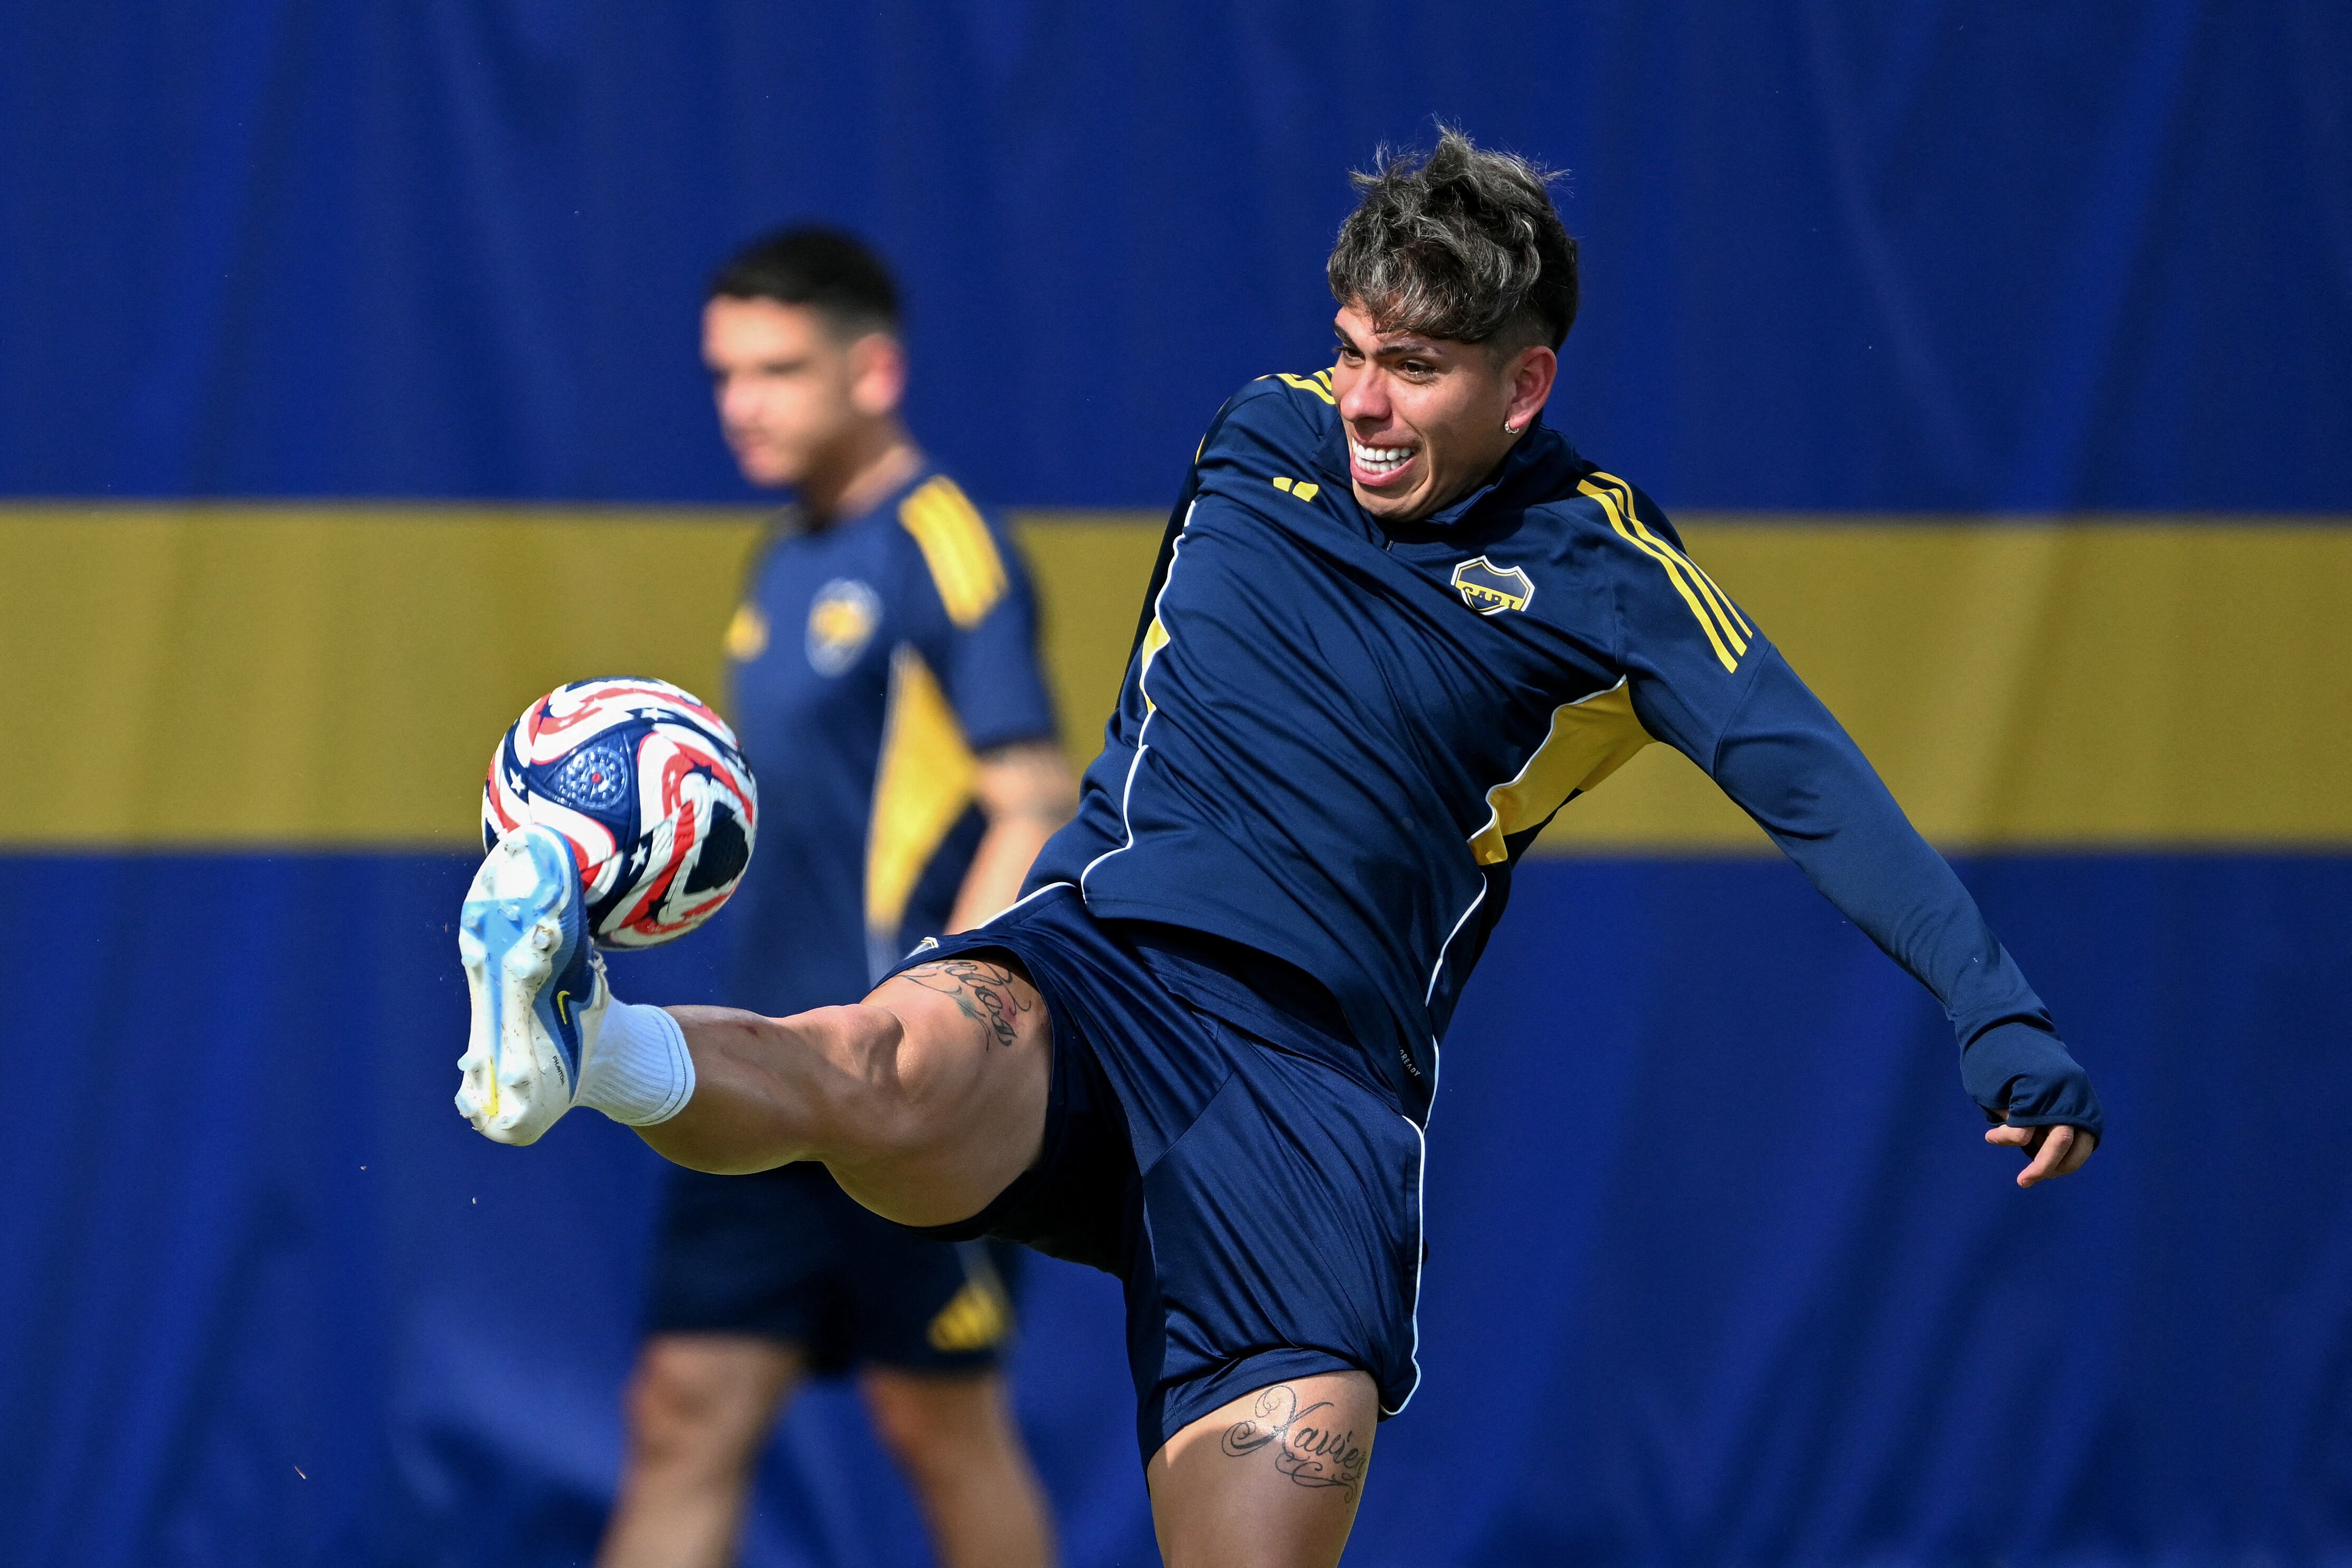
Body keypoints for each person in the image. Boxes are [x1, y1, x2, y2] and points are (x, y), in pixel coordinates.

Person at [458, 134, 2101, 1568]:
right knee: (874, 1059)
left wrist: (1993, 1004)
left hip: (1313, 1091)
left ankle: (603, 1035)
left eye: (1422, 368)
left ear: (1525, 382)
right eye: (1355, 349)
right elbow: (1151, 722)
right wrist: (1015, 929)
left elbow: (1812, 780)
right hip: (1102, 967)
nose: (1368, 403)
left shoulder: (1608, 572)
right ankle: (576, 1035)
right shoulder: (1259, 432)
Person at [596, 227, 1065, 1568]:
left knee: (938, 1424)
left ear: (874, 369)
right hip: (768, 1061)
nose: (742, 401)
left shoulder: (942, 544)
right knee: (683, 1407)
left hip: (901, 1082)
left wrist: (941, 1041)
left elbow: (1031, 799)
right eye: (724, 372)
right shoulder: (777, 561)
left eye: (778, 369)